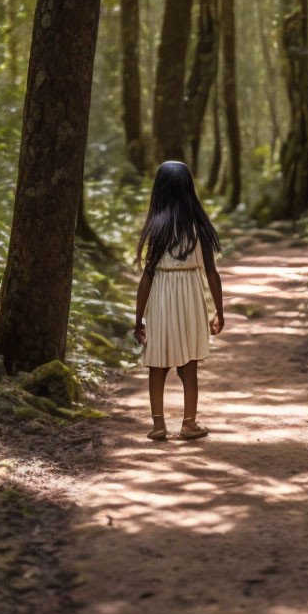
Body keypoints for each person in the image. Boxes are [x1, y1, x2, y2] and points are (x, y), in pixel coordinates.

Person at [133, 161, 224, 441]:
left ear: (159, 190)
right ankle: (189, 424)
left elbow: (147, 276)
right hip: (191, 297)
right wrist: (219, 312)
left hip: (161, 295)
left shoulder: (156, 228)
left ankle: (158, 425)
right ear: (188, 189)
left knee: (157, 363)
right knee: (189, 365)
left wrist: (139, 319)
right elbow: (211, 272)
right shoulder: (200, 227)